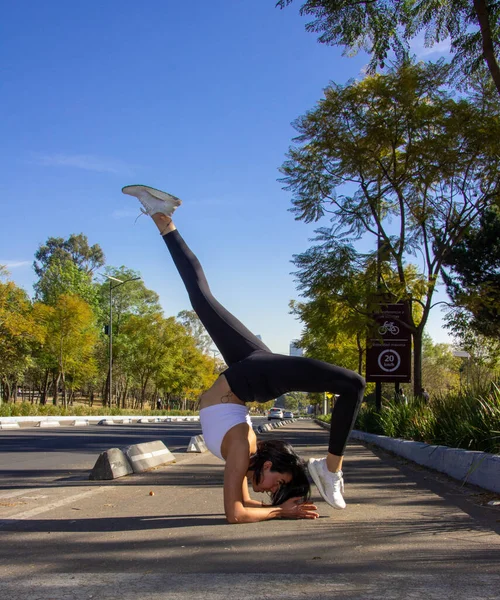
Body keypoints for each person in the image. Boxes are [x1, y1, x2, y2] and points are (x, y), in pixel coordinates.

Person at [122, 184, 366, 524]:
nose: (270, 490)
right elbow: (235, 515)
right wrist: (280, 511)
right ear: (268, 465)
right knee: (353, 384)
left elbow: (242, 508)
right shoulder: (241, 450)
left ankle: (162, 218)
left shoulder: (244, 454)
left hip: (247, 374)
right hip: (252, 379)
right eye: (276, 483)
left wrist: (280, 509)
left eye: (275, 489)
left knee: (201, 299)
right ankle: (330, 469)